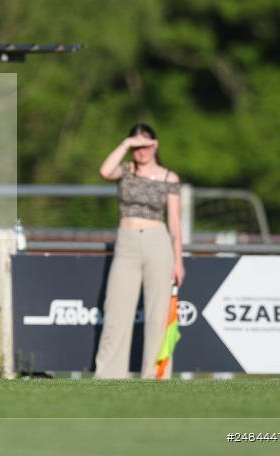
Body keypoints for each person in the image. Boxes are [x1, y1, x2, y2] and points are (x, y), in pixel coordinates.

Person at [94, 123, 184, 379]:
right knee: (116, 311)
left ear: (155, 145)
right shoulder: (125, 171)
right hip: (127, 243)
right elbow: (104, 171)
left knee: (158, 314)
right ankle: (109, 375)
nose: (141, 151)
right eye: (137, 147)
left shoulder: (169, 178)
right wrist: (125, 144)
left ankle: (155, 375)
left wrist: (178, 260)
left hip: (157, 242)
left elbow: (174, 223)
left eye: (145, 145)